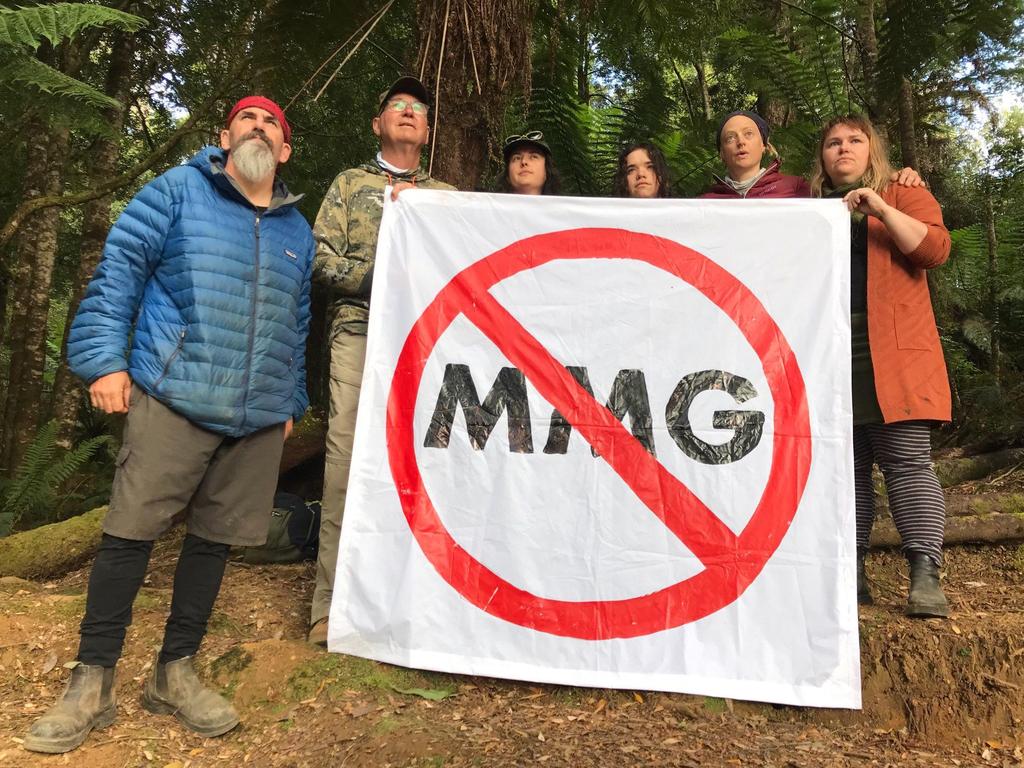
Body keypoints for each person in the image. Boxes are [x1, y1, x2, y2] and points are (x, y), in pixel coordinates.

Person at [24, 96, 314, 754]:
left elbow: (297, 326)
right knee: (129, 532)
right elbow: (119, 269)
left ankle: (173, 673)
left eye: (272, 122)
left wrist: (291, 397)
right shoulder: (178, 191)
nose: (259, 127)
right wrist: (103, 361)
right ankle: (90, 682)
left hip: (258, 414)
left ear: (286, 149)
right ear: (226, 136)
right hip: (174, 392)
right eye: (248, 118)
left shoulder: (298, 229)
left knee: (213, 542)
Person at [309, 76, 456, 647]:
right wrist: (374, 278)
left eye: (418, 108)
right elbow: (320, 262)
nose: (408, 112)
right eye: (396, 105)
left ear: (427, 129)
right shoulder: (351, 184)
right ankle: (330, 604)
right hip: (360, 330)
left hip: (426, 343)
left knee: (426, 460)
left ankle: (419, 600)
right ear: (378, 124)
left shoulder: (445, 194)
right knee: (346, 458)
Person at [810, 113, 952, 618]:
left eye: (854, 140)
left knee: (906, 462)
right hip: (825, 353)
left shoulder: (902, 193)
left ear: (872, 150)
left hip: (892, 350)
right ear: (822, 157)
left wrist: (880, 208)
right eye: (833, 143)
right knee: (842, 469)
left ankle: (925, 574)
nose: (843, 149)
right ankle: (851, 575)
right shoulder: (807, 210)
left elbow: (934, 249)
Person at [701, 109, 923, 199]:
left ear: (765, 145)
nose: (740, 142)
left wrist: (893, 176)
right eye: (730, 138)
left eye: (749, 134)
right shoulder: (703, 203)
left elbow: (843, 197)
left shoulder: (796, 188)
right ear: (721, 153)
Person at [497, 131, 562, 195]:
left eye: (534, 157)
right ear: (508, 175)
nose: (524, 162)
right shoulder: (489, 205)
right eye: (517, 158)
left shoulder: (563, 205)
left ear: (547, 171)